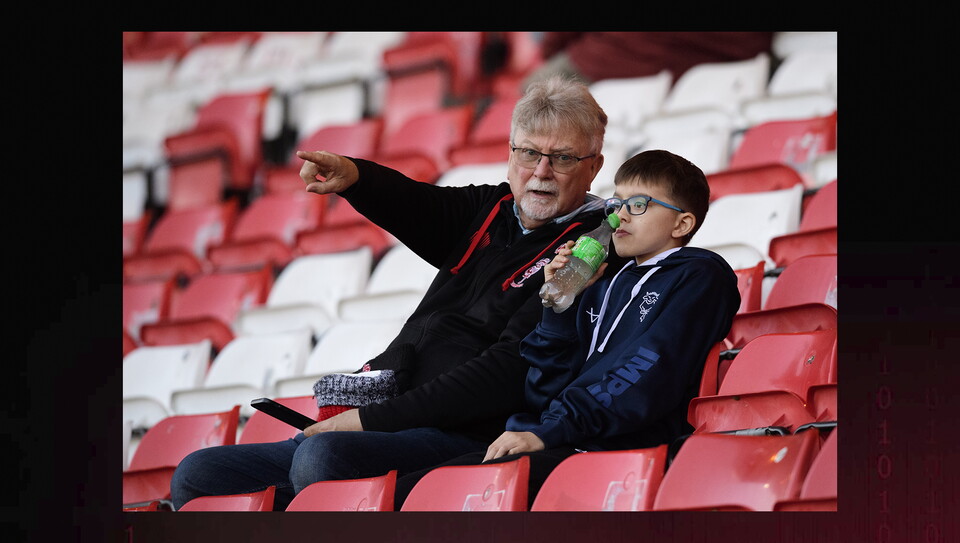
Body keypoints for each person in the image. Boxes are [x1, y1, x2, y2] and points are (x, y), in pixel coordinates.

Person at [169, 75, 630, 511]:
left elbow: (508, 371)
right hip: (390, 417)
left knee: (322, 458)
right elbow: (418, 205)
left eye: (562, 158)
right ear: (510, 154)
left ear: (593, 166)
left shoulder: (589, 250)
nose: (541, 171)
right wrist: (356, 177)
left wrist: (368, 421)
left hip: (468, 433)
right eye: (529, 153)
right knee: (198, 473)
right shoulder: (492, 206)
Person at [392, 149, 742, 509]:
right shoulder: (603, 284)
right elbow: (542, 390)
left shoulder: (700, 275)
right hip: (565, 440)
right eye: (616, 203)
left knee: (419, 501)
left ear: (681, 224)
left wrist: (549, 432)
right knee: (406, 493)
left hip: (620, 453)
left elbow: (649, 369)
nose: (619, 216)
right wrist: (558, 306)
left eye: (638, 205)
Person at [522, 32, 774, 90]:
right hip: (706, 74)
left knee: (534, 90)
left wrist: (550, 49)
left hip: (604, 62)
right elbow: (755, 43)